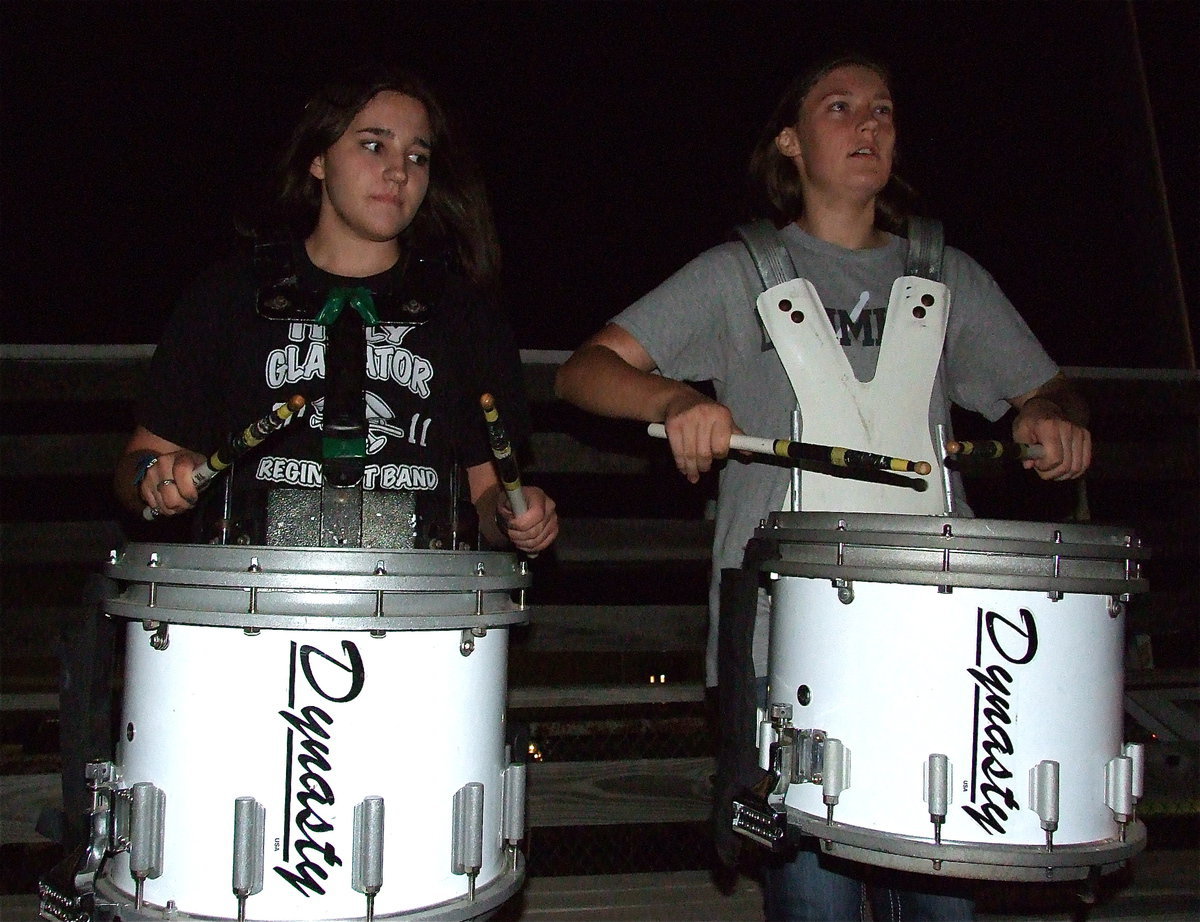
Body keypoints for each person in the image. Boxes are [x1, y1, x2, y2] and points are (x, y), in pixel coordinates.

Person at [555, 53, 1090, 922]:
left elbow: (1046, 389)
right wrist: (674, 399)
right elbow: (584, 372)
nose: (868, 124)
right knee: (816, 907)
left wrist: (1050, 421)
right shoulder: (738, 274)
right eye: (839, 108)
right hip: (785, 641)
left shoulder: (946, 275)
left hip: (938, 634)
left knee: (943, 904)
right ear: (790, 144)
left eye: (882, 109)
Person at [59, 66, 557, 851]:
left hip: (421, 640)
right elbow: (135, 468)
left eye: (419, 155)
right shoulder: (226, 297)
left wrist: (517, 517)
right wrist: (157, 483)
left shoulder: (465, 316)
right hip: (242, 638)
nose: (399, 170)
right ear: (318, 160)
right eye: (373, 144)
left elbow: (493, 498)